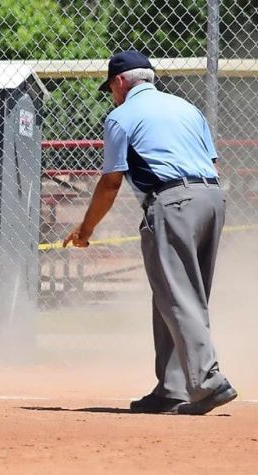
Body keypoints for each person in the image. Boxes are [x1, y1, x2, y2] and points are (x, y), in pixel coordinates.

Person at [62, 50, 236, 415]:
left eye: (110, 87)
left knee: (177, 297)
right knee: (177, 295)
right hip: (212, 198)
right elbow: (213, 163)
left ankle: (207, 383)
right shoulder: (188, 109)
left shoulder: (121, 117)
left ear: (120, 82)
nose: (111, 94)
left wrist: (86, 228)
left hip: (172, 204)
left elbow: (111, 183)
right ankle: (171, 389)